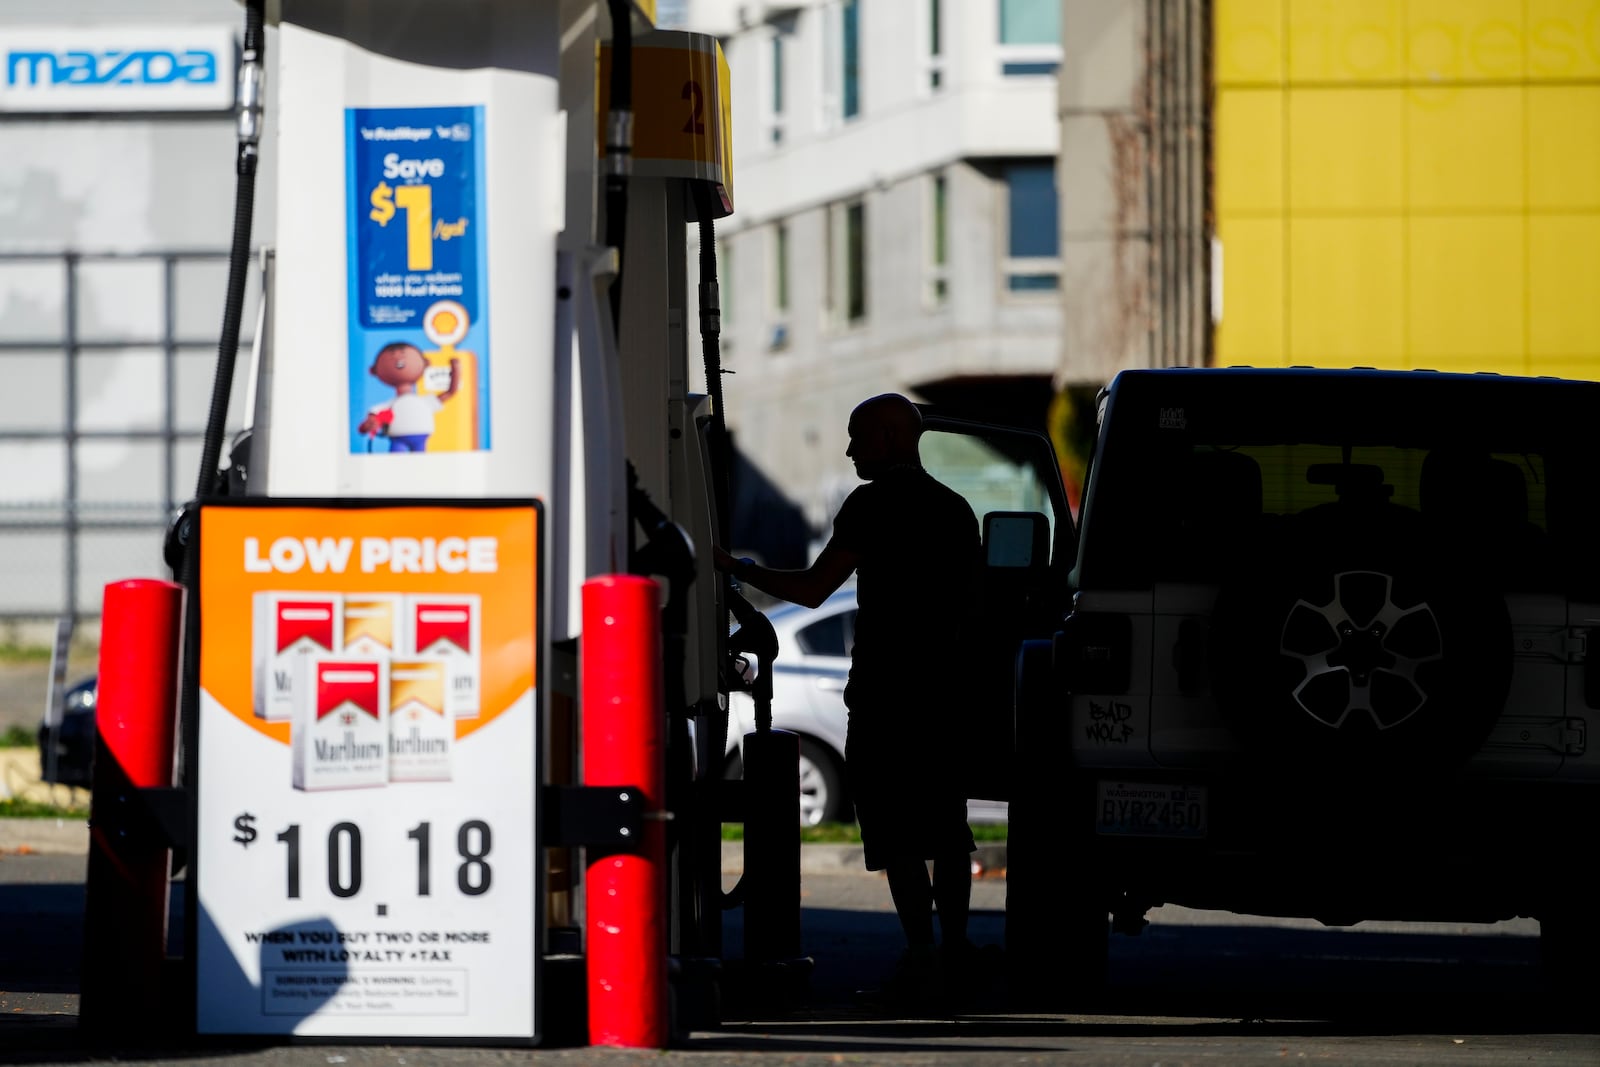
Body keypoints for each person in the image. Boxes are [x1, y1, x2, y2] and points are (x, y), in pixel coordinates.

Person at [714, 392, 981, 1009]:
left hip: (887, 697)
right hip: (943, 695)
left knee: (899, 836)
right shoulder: (955, 509)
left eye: (858, 436)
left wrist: (737, 567)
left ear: (889, 439)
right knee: (947, 828)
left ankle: (922, 959)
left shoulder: (871, 505)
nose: (849, 448)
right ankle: (958, 951)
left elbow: (811, 591)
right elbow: (975, 609)